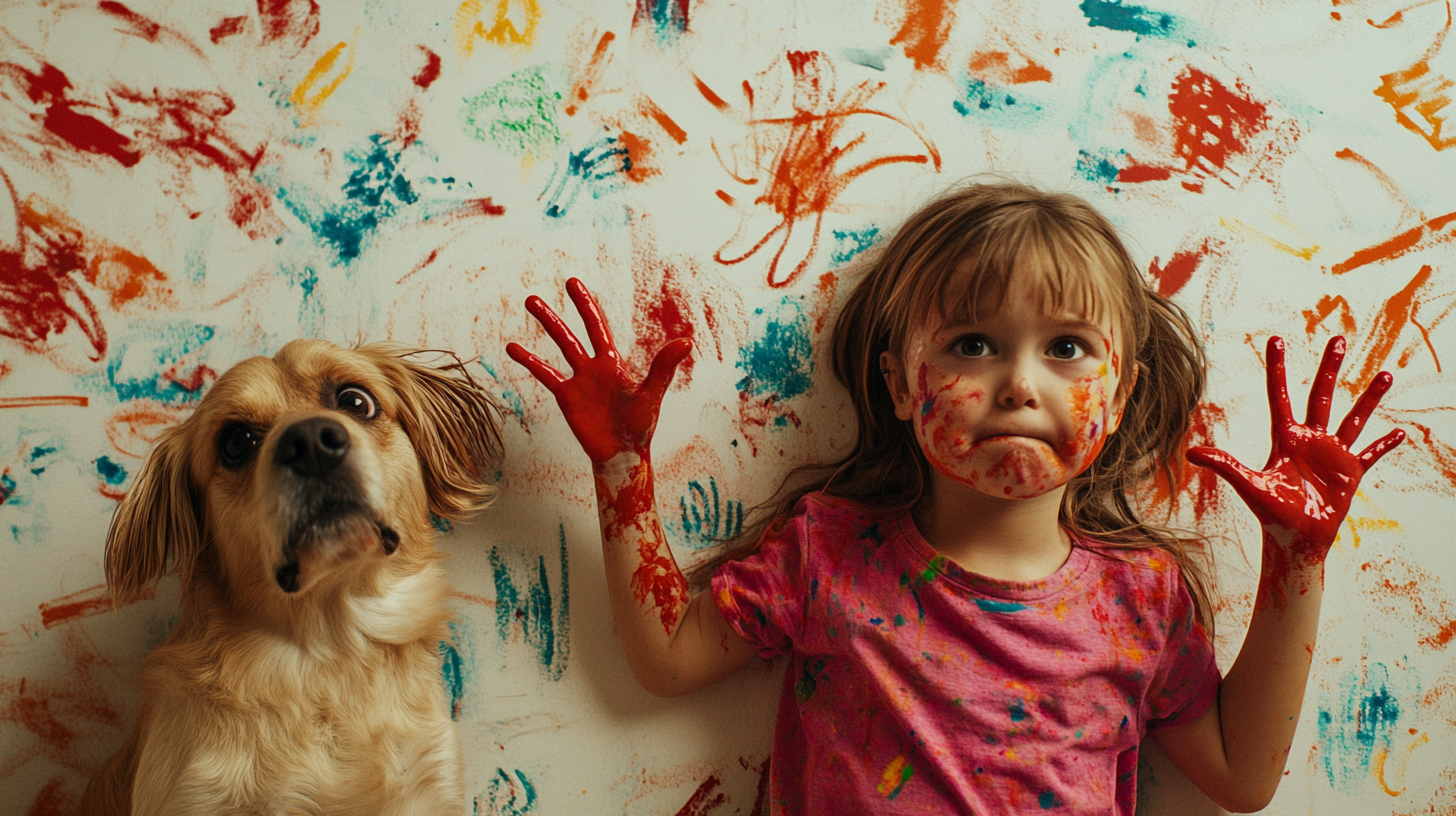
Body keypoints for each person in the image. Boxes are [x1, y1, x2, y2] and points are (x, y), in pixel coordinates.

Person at [505, 182, 1405, 815]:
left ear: (1121, 393)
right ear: (901, 383)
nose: (1019, 383)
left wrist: (1299, 560)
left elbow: (1242, 779)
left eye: (1066, 348)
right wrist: (622, 469)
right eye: (973, 343)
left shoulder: (1142, 598)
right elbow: (666, 660)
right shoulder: (829, 552)